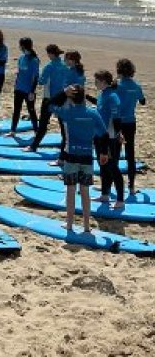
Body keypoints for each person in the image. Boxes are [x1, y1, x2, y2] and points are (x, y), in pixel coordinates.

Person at [50, 85, 109, 232]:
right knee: (85, 192)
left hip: (71, 157)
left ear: (71, 98)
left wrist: (63, 92)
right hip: (87, 156)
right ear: (84, 97)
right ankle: (86, 226)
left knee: (70, 191)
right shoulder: (93, 113)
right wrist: (103, 153)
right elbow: (104, 134)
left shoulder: (67, 113)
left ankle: (69, 225)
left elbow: (48, 105)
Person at [24, 44, 68, 151]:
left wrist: (37, 79)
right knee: (63, 125)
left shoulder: (49, 66)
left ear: (50, 54)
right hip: (63, 97)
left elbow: (41, 81)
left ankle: (33, 146)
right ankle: (65, 148)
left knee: (43, 123)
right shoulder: (65, 66)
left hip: (49, 99)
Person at [91, 70, 124, 208]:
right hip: (99, 135)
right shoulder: (102, 94)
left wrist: (118, 134)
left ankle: (120, 200)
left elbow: (116, 119)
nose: (95, 83)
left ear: (104, 82)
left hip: (110, 137)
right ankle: (105, 195)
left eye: (97, 81)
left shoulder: (112, 97)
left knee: (113, 168)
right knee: (102, 165)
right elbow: (100, 109)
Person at [115, 58, 146, 194]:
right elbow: (143, 101)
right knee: (130, 154)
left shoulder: (117, 85)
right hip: (130, 123)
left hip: (118, 123)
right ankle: (132, 186)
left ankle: (111, 184)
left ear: (119, 70)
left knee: (115, 153)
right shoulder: (136, 85)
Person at [8, 37, 39, 136]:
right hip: (19, 88)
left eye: (20, 45)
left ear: (23, 46)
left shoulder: (34, 60)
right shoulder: (21, 58)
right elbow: (19, 72)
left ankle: (36, 131)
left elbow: (36, 77)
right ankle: (12, 131)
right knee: (16, 110)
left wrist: (32, 91)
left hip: (28, 90)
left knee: (31, 110)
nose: (19, 47)